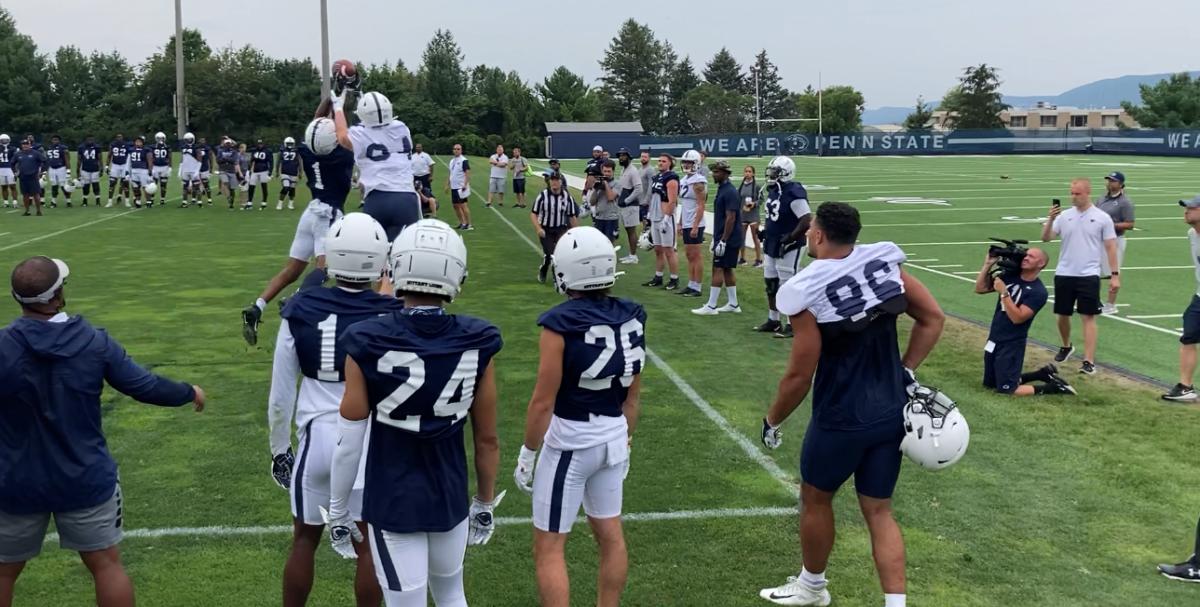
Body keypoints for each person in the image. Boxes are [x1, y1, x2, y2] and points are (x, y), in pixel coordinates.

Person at [758, 201, 945, 607]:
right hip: (890, 409)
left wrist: (773, 419)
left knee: (815, 498)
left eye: (811, 230)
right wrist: (906, 370)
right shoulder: (883, 260)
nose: (807, 234)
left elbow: (799, 375)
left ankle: (812, 587)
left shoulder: (804, 287)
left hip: (841, 413)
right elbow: (932, 317)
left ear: (820, 235)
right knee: (880, 512)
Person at [0, 256, 205, 607]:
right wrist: (188, 392)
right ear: (58, 295)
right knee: (106, 565)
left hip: (15, 480)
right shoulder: (94, 341)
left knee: (3, 571)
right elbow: (144, 385)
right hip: (85, 476)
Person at [325, 218, 505, 607]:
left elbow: (349, 442)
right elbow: (487, 438)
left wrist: (338, 510)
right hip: (450, 491)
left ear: (398, 266)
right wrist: (485, 502)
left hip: (394, 496)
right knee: (452, 594)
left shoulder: (367, 339)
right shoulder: (477, 340)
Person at [268, 214, 399, 607]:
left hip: (317, 439)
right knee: (368, 546)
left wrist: (279, 449)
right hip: (368, 438)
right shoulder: (391, 314)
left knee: (305, 539)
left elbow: (279, 395)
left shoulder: (301, 308)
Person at [514, 226, 644, 607]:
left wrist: (528, 451)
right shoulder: (633, 315)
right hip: (613, 436)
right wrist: (626, 437)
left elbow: (543, 401)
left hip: (571, 441)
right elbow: (633, 395)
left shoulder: (560, 323)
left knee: (550, 546)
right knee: (610, 534)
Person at [242, 112, 356, 346]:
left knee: (291, 271)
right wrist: (339, 106)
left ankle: (257, 306)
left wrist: (329, 103)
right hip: (329, 213)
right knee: (324, 270)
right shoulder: (341, 156)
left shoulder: (306, 150)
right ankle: (296, 300)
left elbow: (316, 124)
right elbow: (345, 138)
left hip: (310, 213)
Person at [1040, 178, 1119, 375]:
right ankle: (1066, 346)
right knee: (1062, 314)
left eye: (1077, 193)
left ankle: (1089, 360)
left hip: (1088, 274)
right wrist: (1050, 219)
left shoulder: (1102, 218)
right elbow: (1046, 238)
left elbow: (1111, 247)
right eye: (1072, 193)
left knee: (1088, 316)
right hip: (1065, 272)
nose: (1073, 197)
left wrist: (1115, 275)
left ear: (1087, 193)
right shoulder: (1064, 216)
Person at [973, 248, 1075, 396]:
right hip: (994, 338)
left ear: (1041, 264)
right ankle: (1041, 374)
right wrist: (987, 264)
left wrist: (1004, 293)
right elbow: (979, 288)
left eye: (1031, 257)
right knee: (990, 384)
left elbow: (1018, 318)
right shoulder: (1009, 276)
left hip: (1011, 343)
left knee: (1007, 390)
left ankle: (1054, 388)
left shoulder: (1038, 292)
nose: (1025, 258)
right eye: (1026, 255)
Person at [333, 90, 420, 241]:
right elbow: (379, 126)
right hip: (406, 198)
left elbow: (342, 136)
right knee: (404, 257)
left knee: (373, 257)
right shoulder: (402, 128)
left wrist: (338, 108)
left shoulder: (359, 133)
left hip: (377, 199)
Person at [756, 156, 812, 339]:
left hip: (789, 245)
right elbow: (775, 216)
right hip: (773, 242)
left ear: (786, 173)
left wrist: (790, 238)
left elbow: (805, 220)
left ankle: (792, 323)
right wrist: (766, 232)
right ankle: (774, 320)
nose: (771, 175)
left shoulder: (793, 191)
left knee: (788, 284)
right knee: (770, 283)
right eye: (771, 171)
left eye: (775, 172)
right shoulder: (774, 189)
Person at [692, 160, 743, 315]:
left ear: (726, 173)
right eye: (714, 171)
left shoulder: (730, 192)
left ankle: (712, 306)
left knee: (718, 268)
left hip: (728, 238)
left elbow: (731, 217)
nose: (714, 174)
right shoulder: (724, 189)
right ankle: (733, 304)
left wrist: (723, 240)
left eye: (717, 172)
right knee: (727, 269)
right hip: (725, 236)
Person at [1163, 196, 1200, 402]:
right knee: (1189, 336)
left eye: (1191, 208)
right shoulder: (1191, 234)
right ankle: (1185, 386)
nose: (1186, 212)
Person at [1095, 172, 1135, 315]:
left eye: (1113, 181)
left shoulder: (1125, 202)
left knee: (1113, 272)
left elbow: (1130, 224)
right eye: (1109, 180)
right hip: (1099, 240)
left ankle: (1111, 305)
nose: (1110, 183)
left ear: (1120, 184)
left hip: (1115, 240)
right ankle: (1094, 301)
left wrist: (1110, 224)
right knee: (1094, 271)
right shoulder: (1101, 198)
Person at [531, 172, 579, 284]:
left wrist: (576, 233)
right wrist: (538, 228)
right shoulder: (543, 196)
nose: (554, 182)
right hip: (546, 229)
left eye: (556, 180)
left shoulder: (567, 197)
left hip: (561, 229)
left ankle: (556, 277)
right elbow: (533, 213)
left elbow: (571, 216)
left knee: (559, 255)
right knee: (549, 255)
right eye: (552, 180)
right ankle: (543, 270)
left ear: (561, 182)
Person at [641, 154, 681, 291]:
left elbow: (672, 201)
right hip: (655, 216)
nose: (660, 163)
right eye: (659, 161)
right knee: (658, 249)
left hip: (666, 219)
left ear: (670, 163)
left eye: (664, 161)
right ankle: (658, 277)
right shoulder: (657, 177)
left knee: (669, 250)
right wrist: (649, 215)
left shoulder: (672, 179)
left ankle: (674, 279)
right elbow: (653, 197)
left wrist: (666, 218)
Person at [677, 150, 707, 297]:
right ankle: (691, 283)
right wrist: (680, 223)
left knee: (696, 255)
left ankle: (697, 286)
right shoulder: (684, 180)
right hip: (687, 221)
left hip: (695, 222)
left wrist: (695, 225)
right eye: (685, 162)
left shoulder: (698, 181)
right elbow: (684, 204)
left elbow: (701, 205)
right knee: (689, 254)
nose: (686, 165)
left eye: (689, 162)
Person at [614, 148, 643, 264]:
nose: (621, 158)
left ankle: (633, 256)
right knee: (627, 229)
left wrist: (626, 200)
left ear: (628, 157)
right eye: (620, 156)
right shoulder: (624, 170)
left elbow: (639, 188)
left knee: (631, 230)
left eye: (623, 156)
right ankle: (631, 254)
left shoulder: (633, 171)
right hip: (625, 206)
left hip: (631, 206)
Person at [588, 160, 620, 244]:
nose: (606, 174)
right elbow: (592, 202)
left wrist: (605, 184)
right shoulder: (599, 183)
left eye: (609, 171)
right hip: (599, 218)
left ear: (613, 171)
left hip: (611, 219)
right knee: (598, 244)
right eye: (605, 171)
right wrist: (596, 189)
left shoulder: (617, 183)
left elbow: (610, 197)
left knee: (609, 244)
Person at [14, 139, 46, 216]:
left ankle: (38, 211)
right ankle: (27, 211)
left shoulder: (36, 153)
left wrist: (42, 171)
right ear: (21, 145)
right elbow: (12, 163)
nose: (25, 145)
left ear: (29, 145)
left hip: (33, 176)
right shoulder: (18, 154)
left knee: (36, 194)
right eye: (23, 144)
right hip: (23, 177)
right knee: (25, 195)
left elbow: (45, 161)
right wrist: (15, 172)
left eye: (26, 144)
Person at [740, 166, 763, 267]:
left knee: (755, 238)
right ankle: (742, 258)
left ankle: (758, 259)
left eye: (749, 172)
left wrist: (754, 204)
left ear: (753, 174)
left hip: (753, 215)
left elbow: (761, 199)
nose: (747, 173)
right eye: (746, 171)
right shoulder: (741, 186)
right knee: (741, 238)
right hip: (743, 215)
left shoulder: (757, 186)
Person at [447, 143, 473, 231]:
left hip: (461, 187)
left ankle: (469, 224)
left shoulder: (464, 160)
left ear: (461, 150)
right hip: (454, 187)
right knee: (455, 205)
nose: (456, 150)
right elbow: (450, 173)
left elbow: (467, 173)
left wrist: (465, 184)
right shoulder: (452, 161)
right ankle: (462, 222)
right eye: (455, 149)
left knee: (463, 205)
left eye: (458, 149)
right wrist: (447, 184)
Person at [125, 137, 154, 209]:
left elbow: (150, 161)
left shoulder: (146, 150)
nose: (138, 143)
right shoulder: (131, 150)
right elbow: (128, 162)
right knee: (135, 187)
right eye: (136, 142)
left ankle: (149, 202)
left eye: (139, 142)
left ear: (142, 143)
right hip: (134, 170)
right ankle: (138, 202)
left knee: (146, 187)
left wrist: (150, 172)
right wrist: (127, 172)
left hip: (143, 170)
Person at [215, 138, 242, 209]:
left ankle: (231, 203)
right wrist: (227, 159)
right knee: (225, 182)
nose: (228, 145)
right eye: (226, 143)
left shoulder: (234, 151)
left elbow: (234, 160)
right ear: (224, 144)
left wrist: (225, 159)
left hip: (231, 171)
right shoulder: (220, 151)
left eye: (229, 143)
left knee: (232, 189)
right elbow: (218, 160)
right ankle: (228, 197)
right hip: (223, 170)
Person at [247, 138, 274, 210]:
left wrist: (270, 172)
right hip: (255, 170)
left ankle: (264, 203)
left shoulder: (267, 151)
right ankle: (249, 203)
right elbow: (251, 160)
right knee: (251, 186)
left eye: (261, 144)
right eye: (259, 144)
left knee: (264, 186)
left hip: (264, 170)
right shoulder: (254, 150)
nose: (260, 145)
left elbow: (271, 162)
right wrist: (249, 169)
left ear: (263, 144)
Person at [45, 135, 71, 208]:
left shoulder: (63, 148)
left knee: (63, 185)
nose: (55, 141)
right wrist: (45, 170)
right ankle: (53, 202)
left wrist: (68, 170)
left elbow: (67, 159)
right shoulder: (49, 148)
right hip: (52, 168)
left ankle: (68, 201)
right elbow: (47, 160)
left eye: (56, 140)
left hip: (61, 168)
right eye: (53, 140)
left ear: (59, 141)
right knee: (54, 185)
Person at [76, 136, 103, 207]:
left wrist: (101, 169)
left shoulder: (97, 147)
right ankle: (85, 201)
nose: (90, 141)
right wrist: (77, 170)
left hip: (95, 169)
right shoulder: (81, 147)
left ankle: (98, 201)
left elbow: (100, 158)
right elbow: (79, 160)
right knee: (86, 185)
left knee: (95, 185)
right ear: (86, 140)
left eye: (91, 139)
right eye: (88, 139)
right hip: (85, 169)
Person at [105, 134, 130, 208]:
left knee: (125, 183)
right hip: (115, 165)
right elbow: (109, 155)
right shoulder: (113, 145)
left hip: (124, 165)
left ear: (123, 138)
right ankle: (109, 201)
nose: (119, 138)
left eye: (120, 137)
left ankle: (127, 201)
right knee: (112, 183)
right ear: (116, 138)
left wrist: (129, 167)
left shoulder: (126, 145)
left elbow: (129, 156)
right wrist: (106, 166)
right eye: (118, 137)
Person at [178, 133, 203, 208]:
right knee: (184, 187)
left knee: (197, 187)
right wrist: (180, 170)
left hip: (193, 170)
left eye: (190, 139)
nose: (189, 140)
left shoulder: (196, 147)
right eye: (187, 139)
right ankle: (184, 202)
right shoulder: (183, 147)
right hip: (185, 170)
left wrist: (197, 170)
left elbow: (199, 159)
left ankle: (199, 202)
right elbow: (182, 159)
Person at [151, 132, 172, 207]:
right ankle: (152, 198)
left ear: (164, 138)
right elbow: (151, 157)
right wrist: (151, 167)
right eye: (159, 138)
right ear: (156, 139)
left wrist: (170, 166)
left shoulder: (167, 147)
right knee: (153, 184)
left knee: (163, 184)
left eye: (162, 138)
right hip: (155, 167)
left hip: (164, 167)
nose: (160, 140)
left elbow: (169, 157)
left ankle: (162, 199)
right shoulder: (153, 147)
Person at [485, 144, 508, 208]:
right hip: (493, 175)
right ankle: (489, 202)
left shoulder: (505, 157)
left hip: (502, 176)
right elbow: (490, 161)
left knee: (501, 191)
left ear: (503, 150)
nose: (499, 150)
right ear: (496, 150)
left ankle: (500, 202)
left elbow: (503, 165)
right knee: (491, 190)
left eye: (501, 149)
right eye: (498, 149)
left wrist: (495, 163)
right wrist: (498, 163)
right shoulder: (493, 156)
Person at [197, 136, 215, 206]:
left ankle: (209, 199)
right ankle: (199, 201)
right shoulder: (196, 148)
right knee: (198, 185)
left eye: (203, 140)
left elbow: (210, 159)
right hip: (197, 169)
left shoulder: (208, 149)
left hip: (205, 168)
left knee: (206, 184)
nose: (202, 142)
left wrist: (211, 169)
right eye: (201, 140)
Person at [637, 151, 654, 224]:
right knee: (641, 223)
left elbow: (651, 185)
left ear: (649, 158)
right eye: (642, 156)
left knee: (646, 224)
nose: (643, 158)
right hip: (639, 201)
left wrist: (647, 200)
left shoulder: (650, 170)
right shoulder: (640, 169)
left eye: (645, 157)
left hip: (646, 203)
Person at [0, 134, 16, 209]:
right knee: (3, 186)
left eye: (6, 140)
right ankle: (6, 202)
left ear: (9, 140)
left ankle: (14, 201)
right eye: (2, 140)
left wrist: (16, 169)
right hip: (1, 168)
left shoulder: (13, 148)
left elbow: (16, 159)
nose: (4, 141)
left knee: (12, 185)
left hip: (10, 168)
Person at [237, 142, 253, 209]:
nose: (244, 149)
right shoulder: (238, 156)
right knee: (242, 189)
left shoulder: (247, 156)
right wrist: (240, 173)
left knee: (247, 189)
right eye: (242, 148)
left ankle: (247, 202)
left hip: (246, 173)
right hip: (240, 174)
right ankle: (242, 203)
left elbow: (249, 164)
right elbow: (237, 165)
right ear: (240, 148)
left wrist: (250, 171)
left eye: (245, 148)